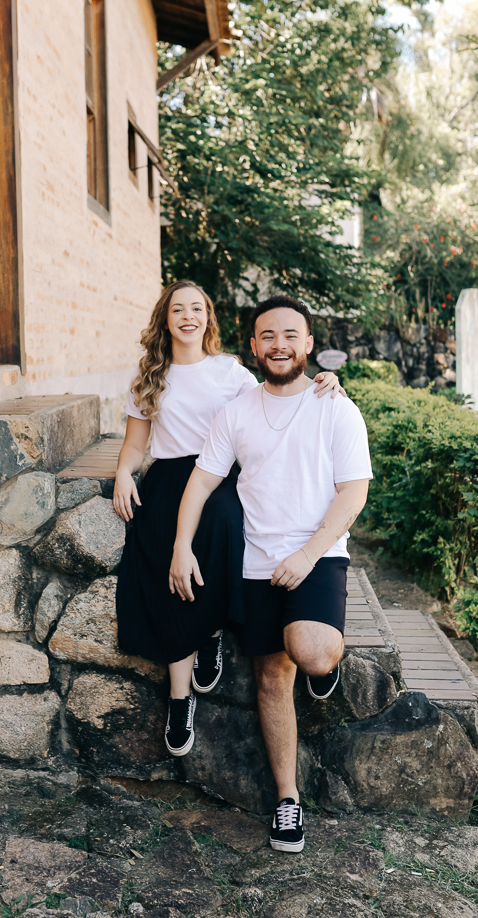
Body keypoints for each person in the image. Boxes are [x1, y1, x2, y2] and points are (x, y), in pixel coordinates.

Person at [170, 293, 372, 852]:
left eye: (291, 335)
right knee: (270, 677)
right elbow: (202, 481)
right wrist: (181, 545)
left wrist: (308, 553)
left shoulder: (336, 407)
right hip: (255, 566)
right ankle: (288, 801)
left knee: (309, 649)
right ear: (254, 346)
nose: (279, 345)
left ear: (308, 344)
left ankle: (322, 659)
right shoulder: (236, 411)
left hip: (318, 555)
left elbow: (354, 491)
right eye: (268, 336)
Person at [114, 281, 344, 758]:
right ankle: (180, 698)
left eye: (196, 308)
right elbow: (137, 443)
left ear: (208, 318)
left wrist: (329, 380)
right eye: (178, 309)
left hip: (218, 475)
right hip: (171, 475)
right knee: (160, 543)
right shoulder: (150, 374)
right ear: (166, 318)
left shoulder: (228, 372)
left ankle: (212, 632)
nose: (187, 316)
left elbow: (278, 392)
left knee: (221, 525)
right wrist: (122, 473)